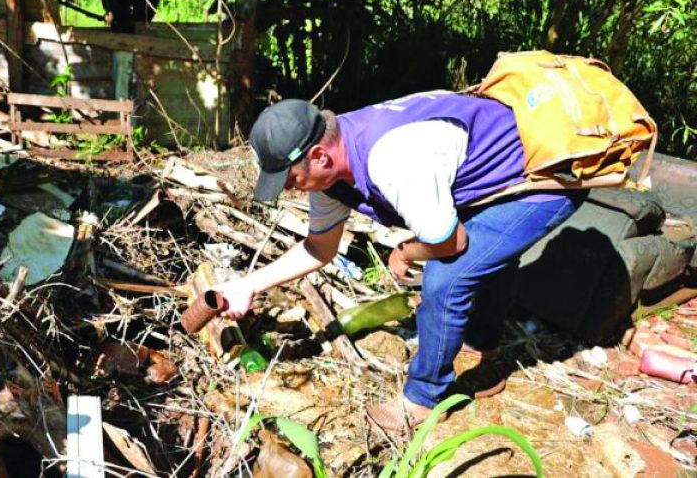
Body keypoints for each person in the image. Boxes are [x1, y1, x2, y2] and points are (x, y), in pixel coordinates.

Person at [213, 92, 585, 432]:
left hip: (545, 180)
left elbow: (450, 243)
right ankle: (482, 343)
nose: (290, 189)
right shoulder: (333, 162)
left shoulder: (390, 158)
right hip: (494, 181)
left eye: (290, 179)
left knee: (447, 277)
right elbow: (319, 248)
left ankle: (422, 399)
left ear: (319, 157)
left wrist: (406, 250)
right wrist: (248, 284)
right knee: (486, 257)